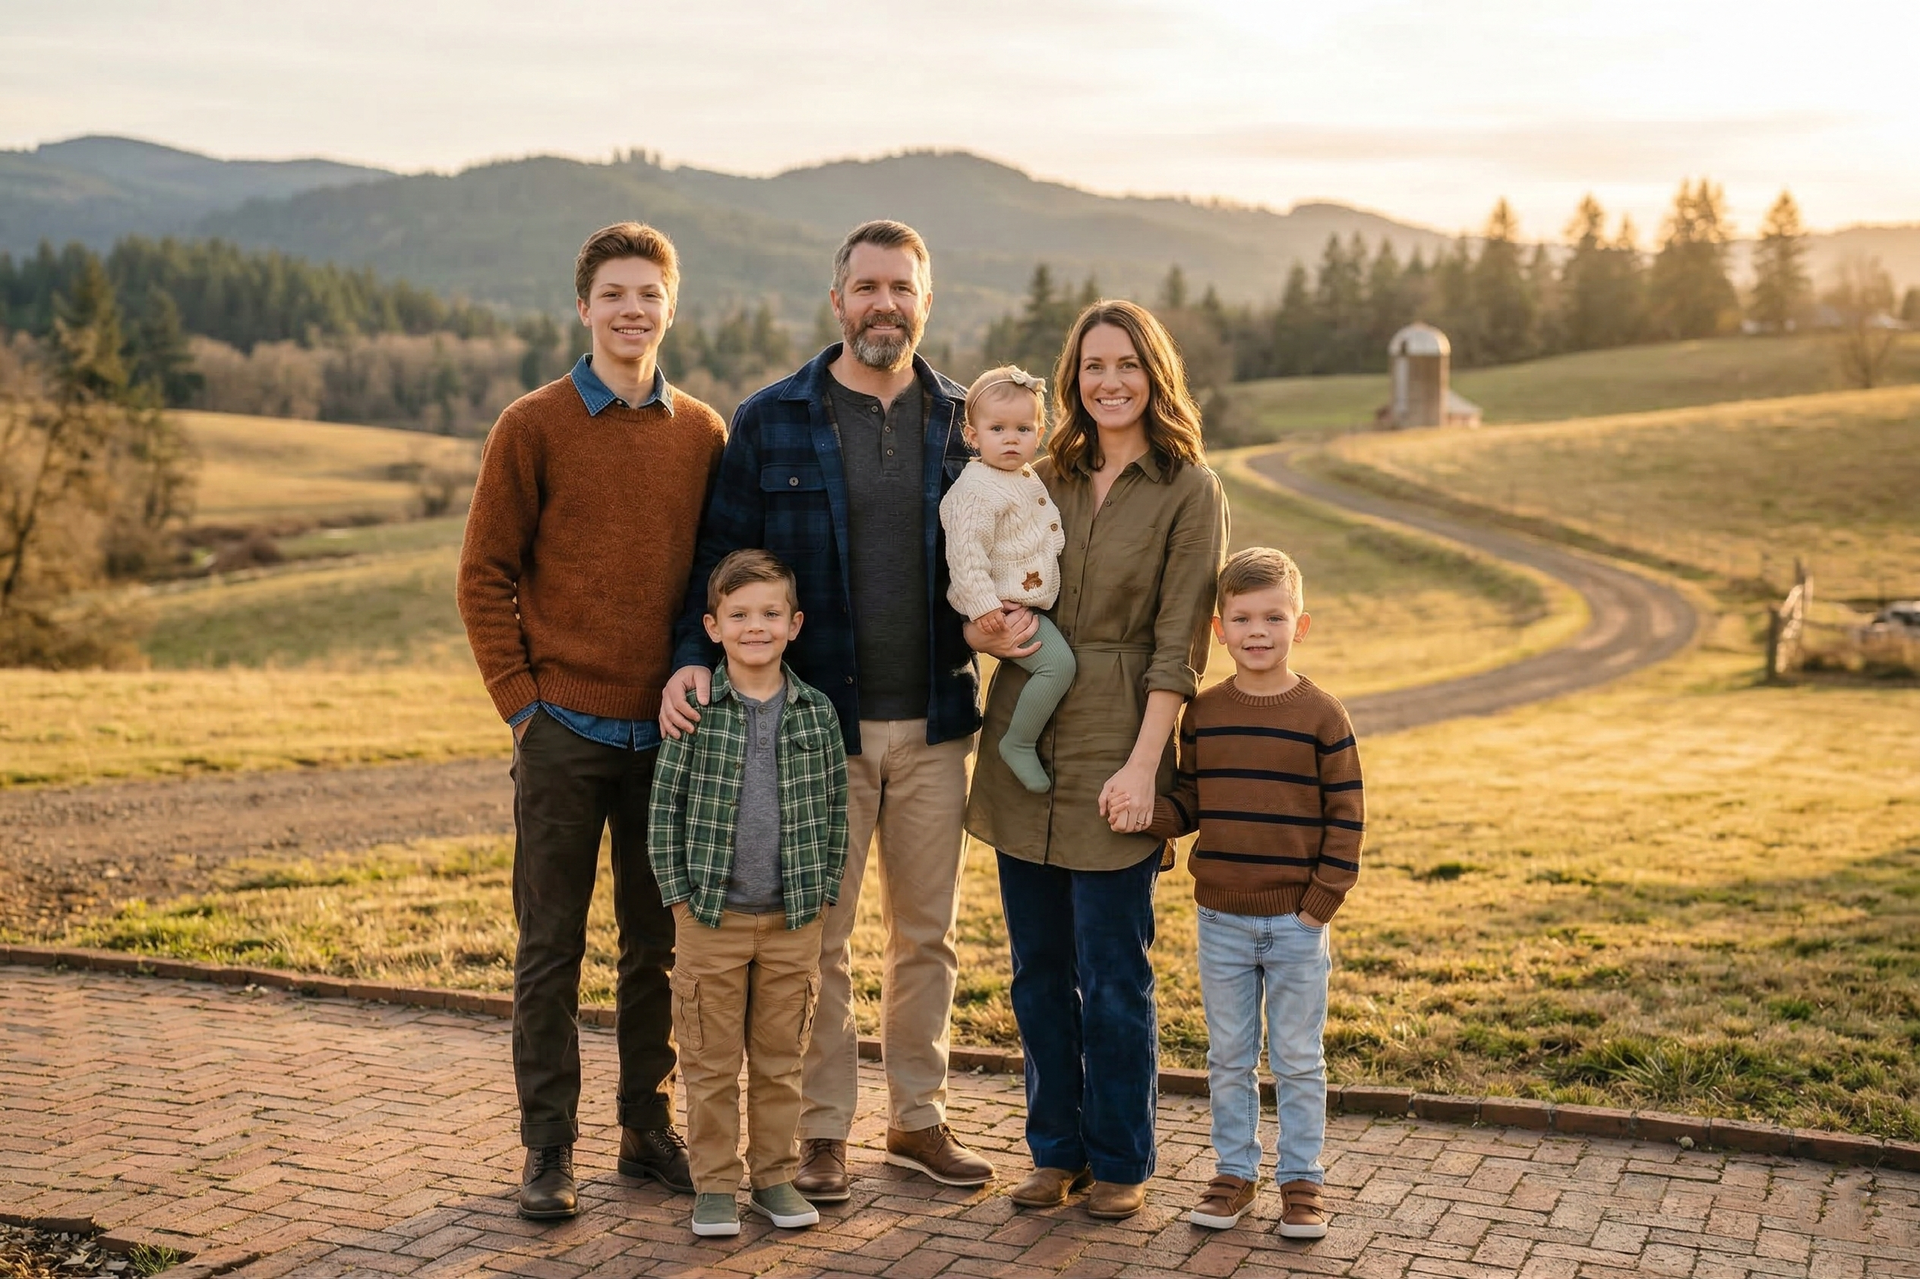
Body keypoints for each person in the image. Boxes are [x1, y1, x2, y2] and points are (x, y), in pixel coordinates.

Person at [660, 220, 994, 1201]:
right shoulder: (771, 420)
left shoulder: (971, 423)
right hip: (816, 730)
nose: (883, 303)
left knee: (926, 934)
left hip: (936, 721)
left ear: (926, 301)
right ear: (836, 299)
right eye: (866, 287)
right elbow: (716, 561)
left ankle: (920, 1118)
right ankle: (822, 1131)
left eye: (902, 286)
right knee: (822, 936)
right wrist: (692, 657)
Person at [457, 222, 723, 1219]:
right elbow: (483, 578)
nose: (631, 311)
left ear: (670, 306)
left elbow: (713, 577)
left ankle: (646, 1130)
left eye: (649, 294)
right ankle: (548, 1147)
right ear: (584, 307)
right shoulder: (531, 425)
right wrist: (524, 710)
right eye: (614, 293)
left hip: (667, 735)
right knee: (550, 947)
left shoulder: (703, 433)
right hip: (562, 728)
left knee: (655, 946)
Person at [966, 299, 1228, 1221]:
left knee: (1114, 971)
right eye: (1090, 366)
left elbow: (1177, 646)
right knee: (1037, 967)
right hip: (1025, 732)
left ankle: (1120, 1156)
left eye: (1125, 363)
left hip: (1121, 734)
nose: (1108, 381)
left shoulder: (1190, 487)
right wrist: (983, 627)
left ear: (1155, 373)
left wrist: (1143, 767)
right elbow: (980, 581)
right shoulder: (1039, 474)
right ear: (1071, 378)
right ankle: (1055, 1150)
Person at [1146, 547, 1362, 1237]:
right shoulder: (1204, 714)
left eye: (1273, 615)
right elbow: (1189, 801)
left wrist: (1319, 902)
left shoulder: (1324, 715)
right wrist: (1152, 816)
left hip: (1298, 921)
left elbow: (1347, 817)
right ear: (1219, 629)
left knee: (1298, 1056)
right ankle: (1234, 1174)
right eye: (1242, 617)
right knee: (1229, 1054)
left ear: (1301, 625)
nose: (1258, 629)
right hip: (1222, 917)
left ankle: (1303, 1182)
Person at [649, 550, 850, 1238]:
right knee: (708, 1061)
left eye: (770, 613)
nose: (755, 626)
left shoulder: (817, 712)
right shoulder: (697, 706)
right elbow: (664, 809)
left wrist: (822, 894)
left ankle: (773, 1177)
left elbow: (834, 811)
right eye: (740, 614)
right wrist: (681, 899)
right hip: (712, 916)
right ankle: (713, 1186)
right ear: (713, 624)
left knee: (779, 1058)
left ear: (795, 624)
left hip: (794, 918)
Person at [938, 365, 1075, 793]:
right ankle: (1018, 742)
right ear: (973, 436)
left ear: (1039, 432)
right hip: (1001, 610)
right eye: (997, 428)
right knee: (1057, 665)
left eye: (1023, 428)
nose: (1011, 438)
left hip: (1020, 601)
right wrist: (985, 608)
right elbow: (964, 553)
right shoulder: (975, 489)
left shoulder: (1019, 476)